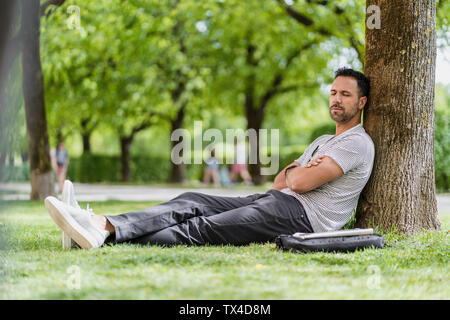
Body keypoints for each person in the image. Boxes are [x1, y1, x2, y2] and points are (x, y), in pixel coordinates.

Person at [44, 67, 375, 250]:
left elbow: (299, 182)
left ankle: (96, 229)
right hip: (275, 199)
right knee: (191, 199)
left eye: (345, 94)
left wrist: (298, 171)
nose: (336, 99)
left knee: (200, 228)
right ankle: (100, 226)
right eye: (333, 92)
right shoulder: (323, 141)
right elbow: (282, 180)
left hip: (301, 218)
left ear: (360, 103)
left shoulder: (357, 143)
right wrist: (299, 170)